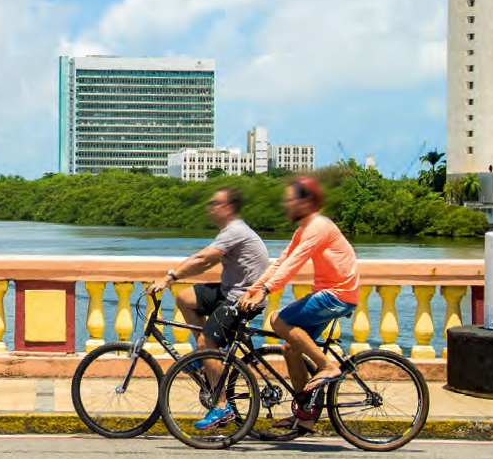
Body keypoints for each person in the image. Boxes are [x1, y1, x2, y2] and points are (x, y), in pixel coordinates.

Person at [238, 175, 359, 431]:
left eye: (291, 200)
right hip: (330, 293)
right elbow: (282, 261)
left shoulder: (319, 226)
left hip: (337, 294)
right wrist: (254, 288)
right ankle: (305, 416)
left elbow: (293, 265)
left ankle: (328, 366)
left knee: (278, 320)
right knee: (290, 349)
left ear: (306, 202)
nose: (287, 205)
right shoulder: (303, 230)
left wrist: (267, 291)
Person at [148, 186, 270, 430]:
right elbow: (204, 265)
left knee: (207, 342)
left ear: (228, 208)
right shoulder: (230, 231)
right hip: (228, 291)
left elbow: (203, 259)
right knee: (185, 298)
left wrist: (169, 277)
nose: (210, 208)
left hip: (243, 298)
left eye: (215, 203)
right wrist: (178, 280)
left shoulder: (235, 231)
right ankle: (205, 360)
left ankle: (222, 406)